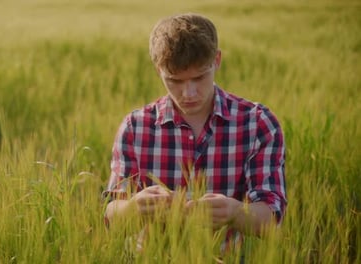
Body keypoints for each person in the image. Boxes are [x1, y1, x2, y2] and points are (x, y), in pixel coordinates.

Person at [102, 13, 287, 253]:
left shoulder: (257, 124)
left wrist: (236, 213)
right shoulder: (135, 128)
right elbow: (109, 213)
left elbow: (272, 219)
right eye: (175, 81)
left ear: (217, 60)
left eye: (199, 77)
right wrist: (132, 208)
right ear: (159, 70)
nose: (189, 93)